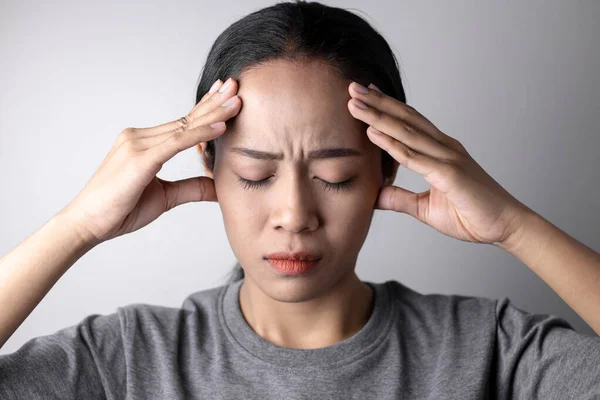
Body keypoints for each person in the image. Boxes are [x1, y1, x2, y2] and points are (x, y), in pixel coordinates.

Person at [1, 1, 599, 398]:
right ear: (208, 162)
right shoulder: (128, 361)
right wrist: (77, 226)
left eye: (335, 176)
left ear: (386, 168)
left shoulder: (489, 352)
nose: (294, 216)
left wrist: (514, 227)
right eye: (257, 176)